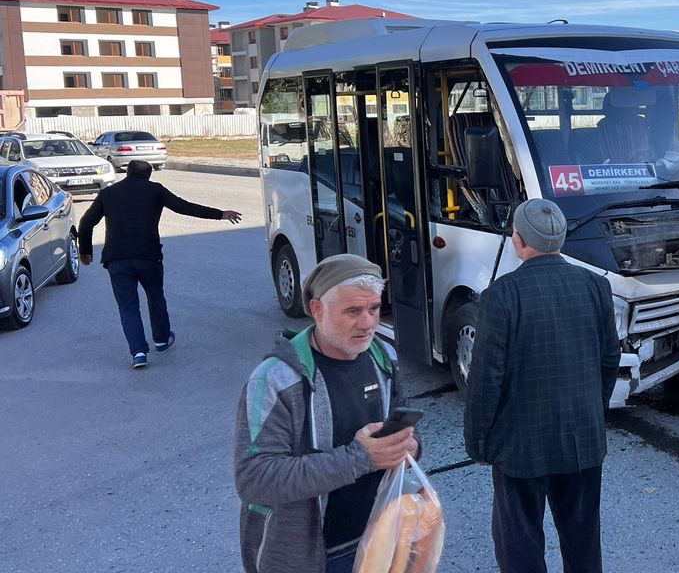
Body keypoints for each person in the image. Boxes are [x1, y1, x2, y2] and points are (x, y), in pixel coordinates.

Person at [234, 254, 421, 573]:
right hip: (311, 559)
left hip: (380, 541)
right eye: (353, 311)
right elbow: (254, 478)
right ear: (317, 310)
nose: (367, 324)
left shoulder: (382, 357)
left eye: (374, 309)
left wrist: (409, 447)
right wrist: (360, 458)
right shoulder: (276, 380)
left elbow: (406, 435)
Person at [464, 199, 621, 573]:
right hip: (582, 440)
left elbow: (486, 379)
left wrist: (478, 443)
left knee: (520, 543)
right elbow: (609, 359)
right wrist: (592, 412)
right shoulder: (595, 286)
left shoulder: (501, 295)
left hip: (519, 449)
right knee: (583, 541)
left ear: (518, 240)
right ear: (561, 239)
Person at [78, 160, 242, 368]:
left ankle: (138, 353)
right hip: (149, 256)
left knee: (128, 306)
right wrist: (220, 214)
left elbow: (86, 223)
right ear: (149, 175)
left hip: (117, 259)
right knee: (156, 297)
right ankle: (162, 340)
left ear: (127, 172)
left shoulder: (109, 193)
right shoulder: (155, 190)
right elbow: (183, 207)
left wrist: (85, 251)